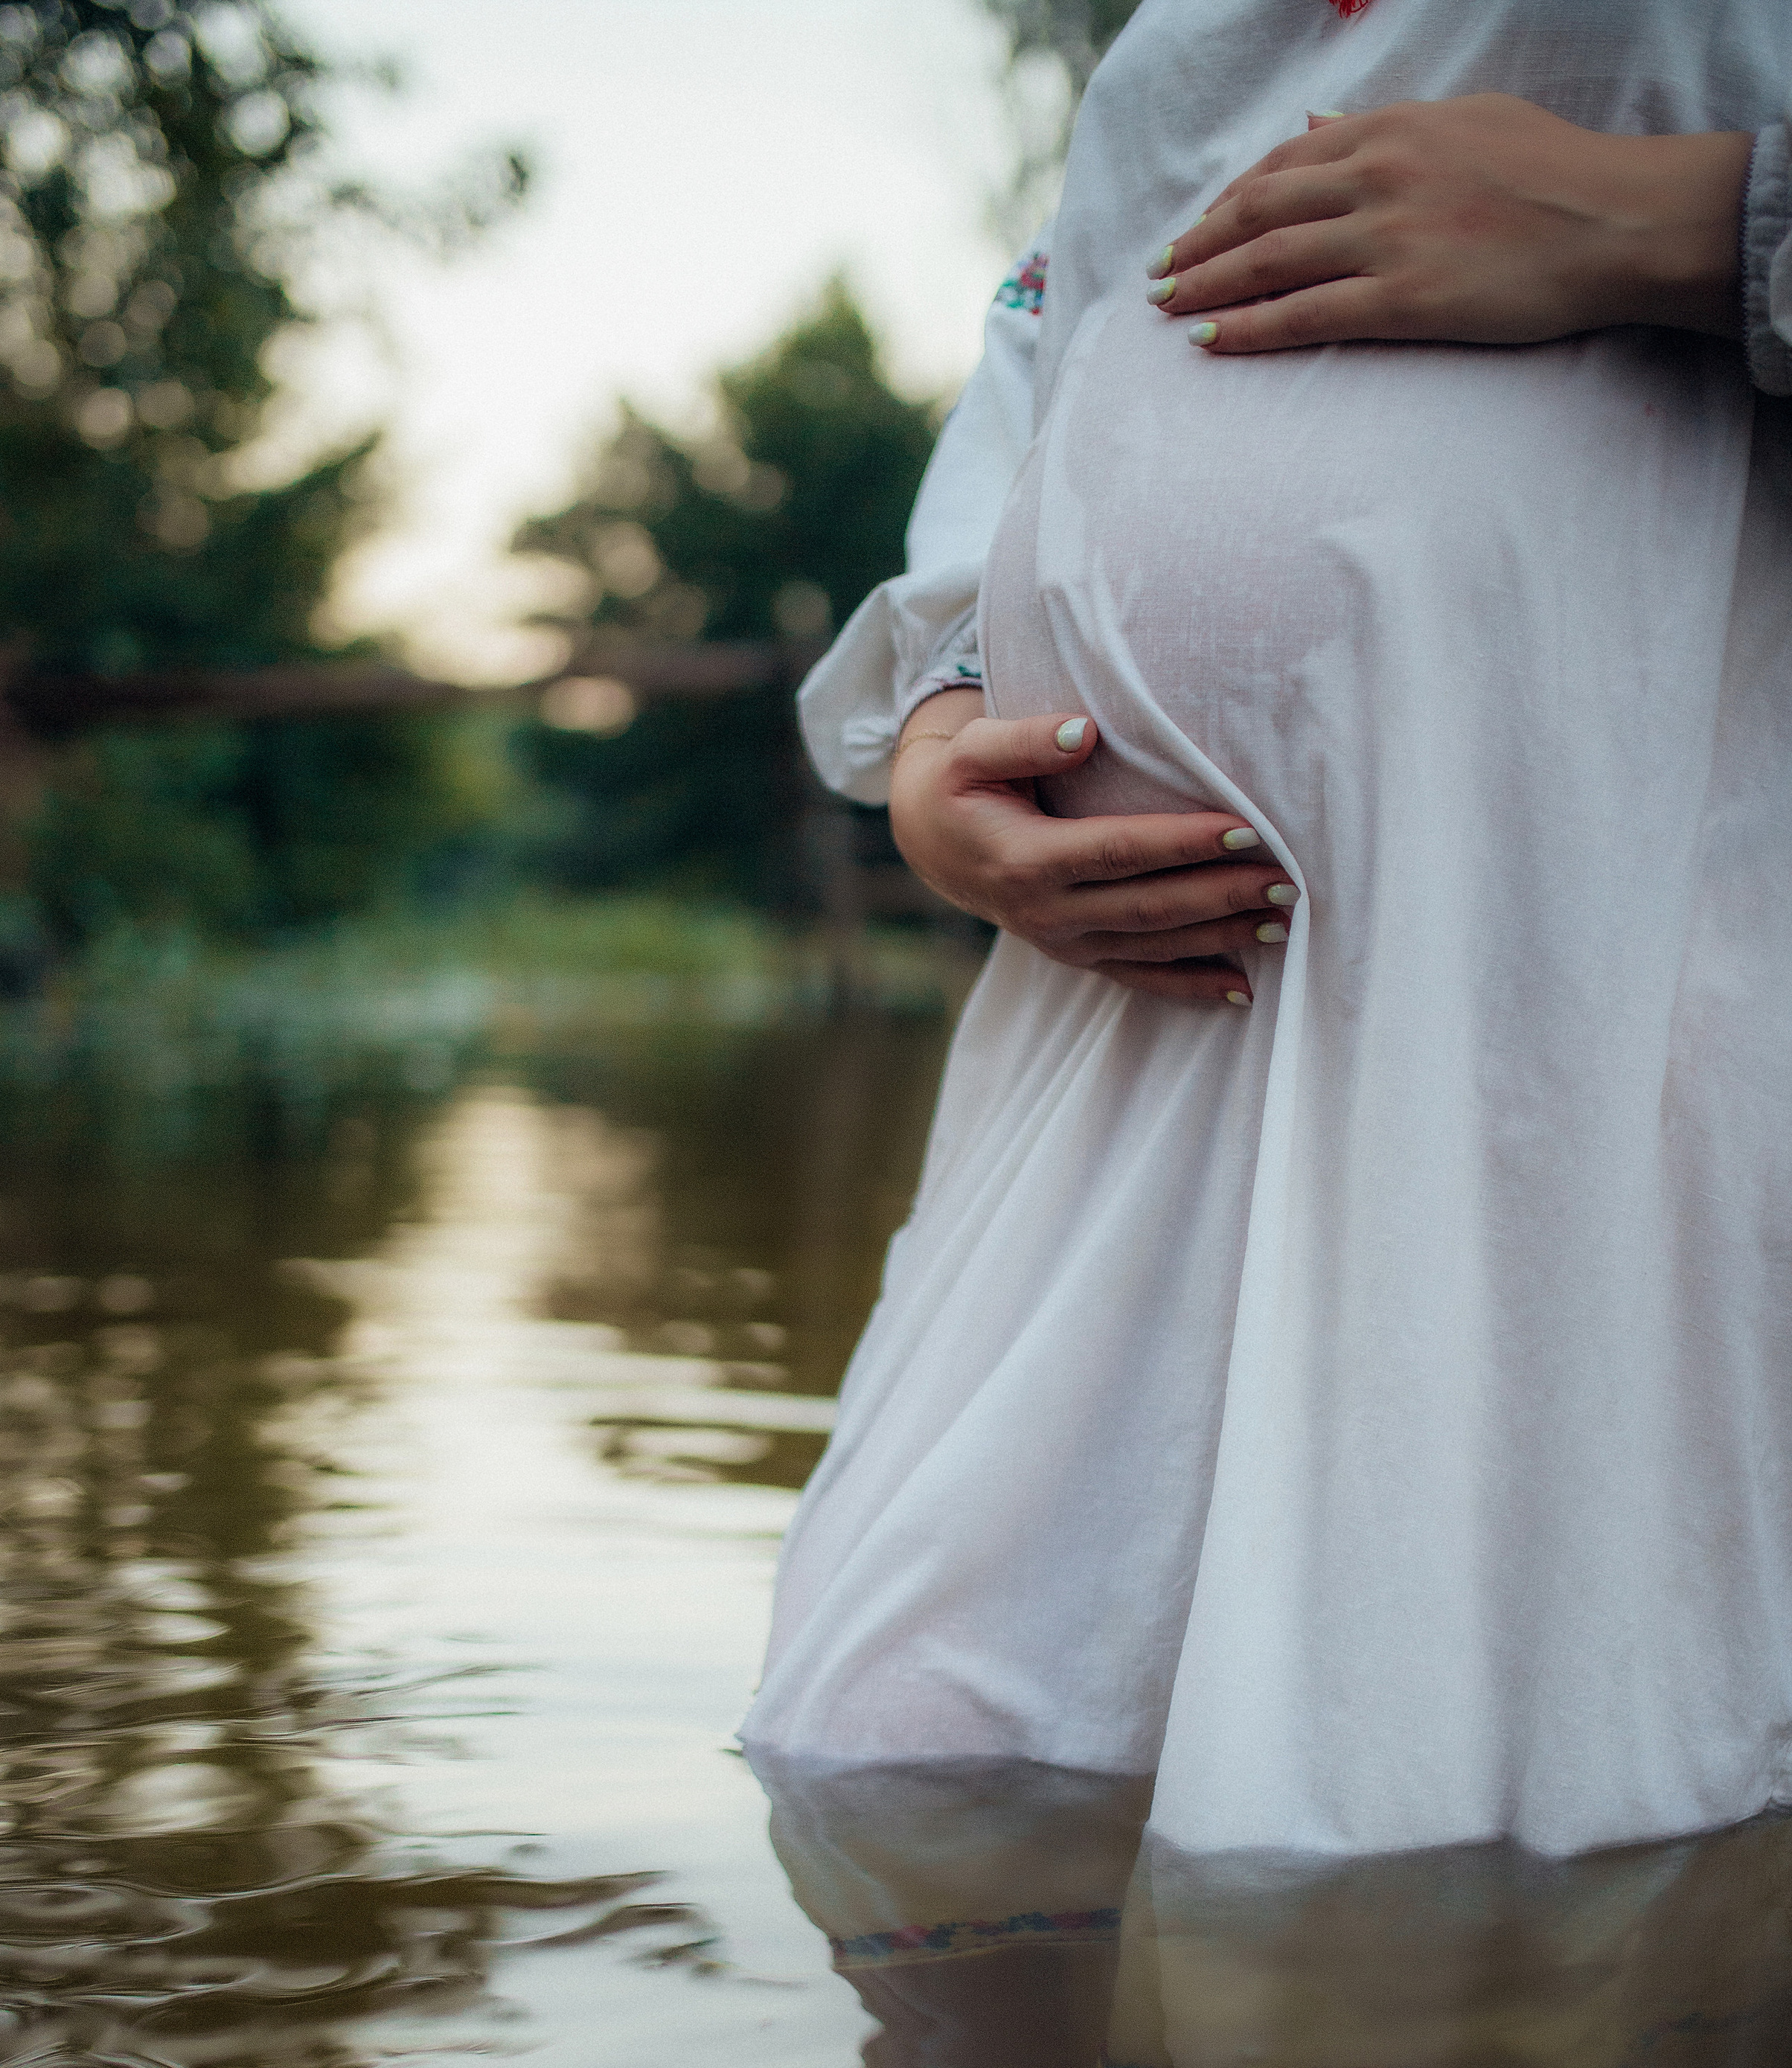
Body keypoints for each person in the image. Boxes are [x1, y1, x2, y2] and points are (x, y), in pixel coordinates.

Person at [741, 0, 1792, 1863]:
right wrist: (941, 713)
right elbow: (1046, 351)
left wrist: (1691, 223)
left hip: (1591, 971)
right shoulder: (1169, 35)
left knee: (1484, 1797)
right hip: (1122, 1038)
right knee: (900, 1748)